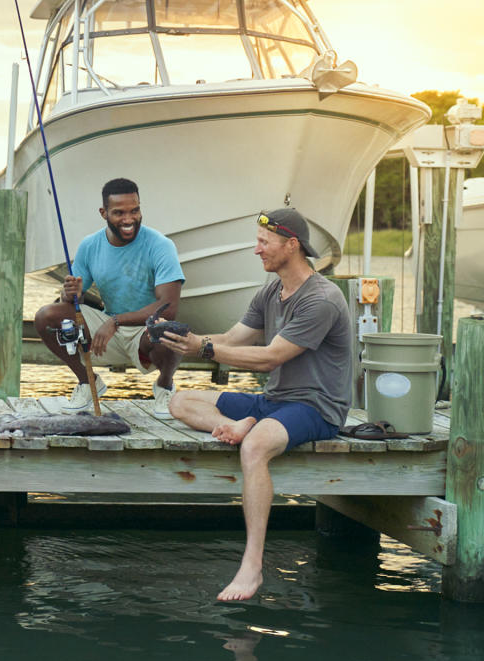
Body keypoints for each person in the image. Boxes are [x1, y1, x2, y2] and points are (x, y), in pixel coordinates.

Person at [162, 207, 352, 601]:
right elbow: (234, 338)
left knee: (255, 448)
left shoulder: (323, 299)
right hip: (274, 401)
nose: (256, 249)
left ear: (291, 245)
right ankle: (242, 421)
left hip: (315, 408)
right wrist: (184, 339)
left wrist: (207, 349)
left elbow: (270, 357)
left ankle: (252, 566)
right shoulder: (271, 291)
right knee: (180, 401)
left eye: (264, 242)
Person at [34, 177, 185, 419]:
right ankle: (88, 382)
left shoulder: (161, 245)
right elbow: (70, 302)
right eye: (119, 213)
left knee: (170, 329)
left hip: (142, 330)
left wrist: (115, 321)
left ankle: (165, 386)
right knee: (46, 316)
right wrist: (68, 293)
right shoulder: (89, 245)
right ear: (103, 213)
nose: (129, 220)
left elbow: (168, 308)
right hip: (108, 329)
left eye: (134, 210)